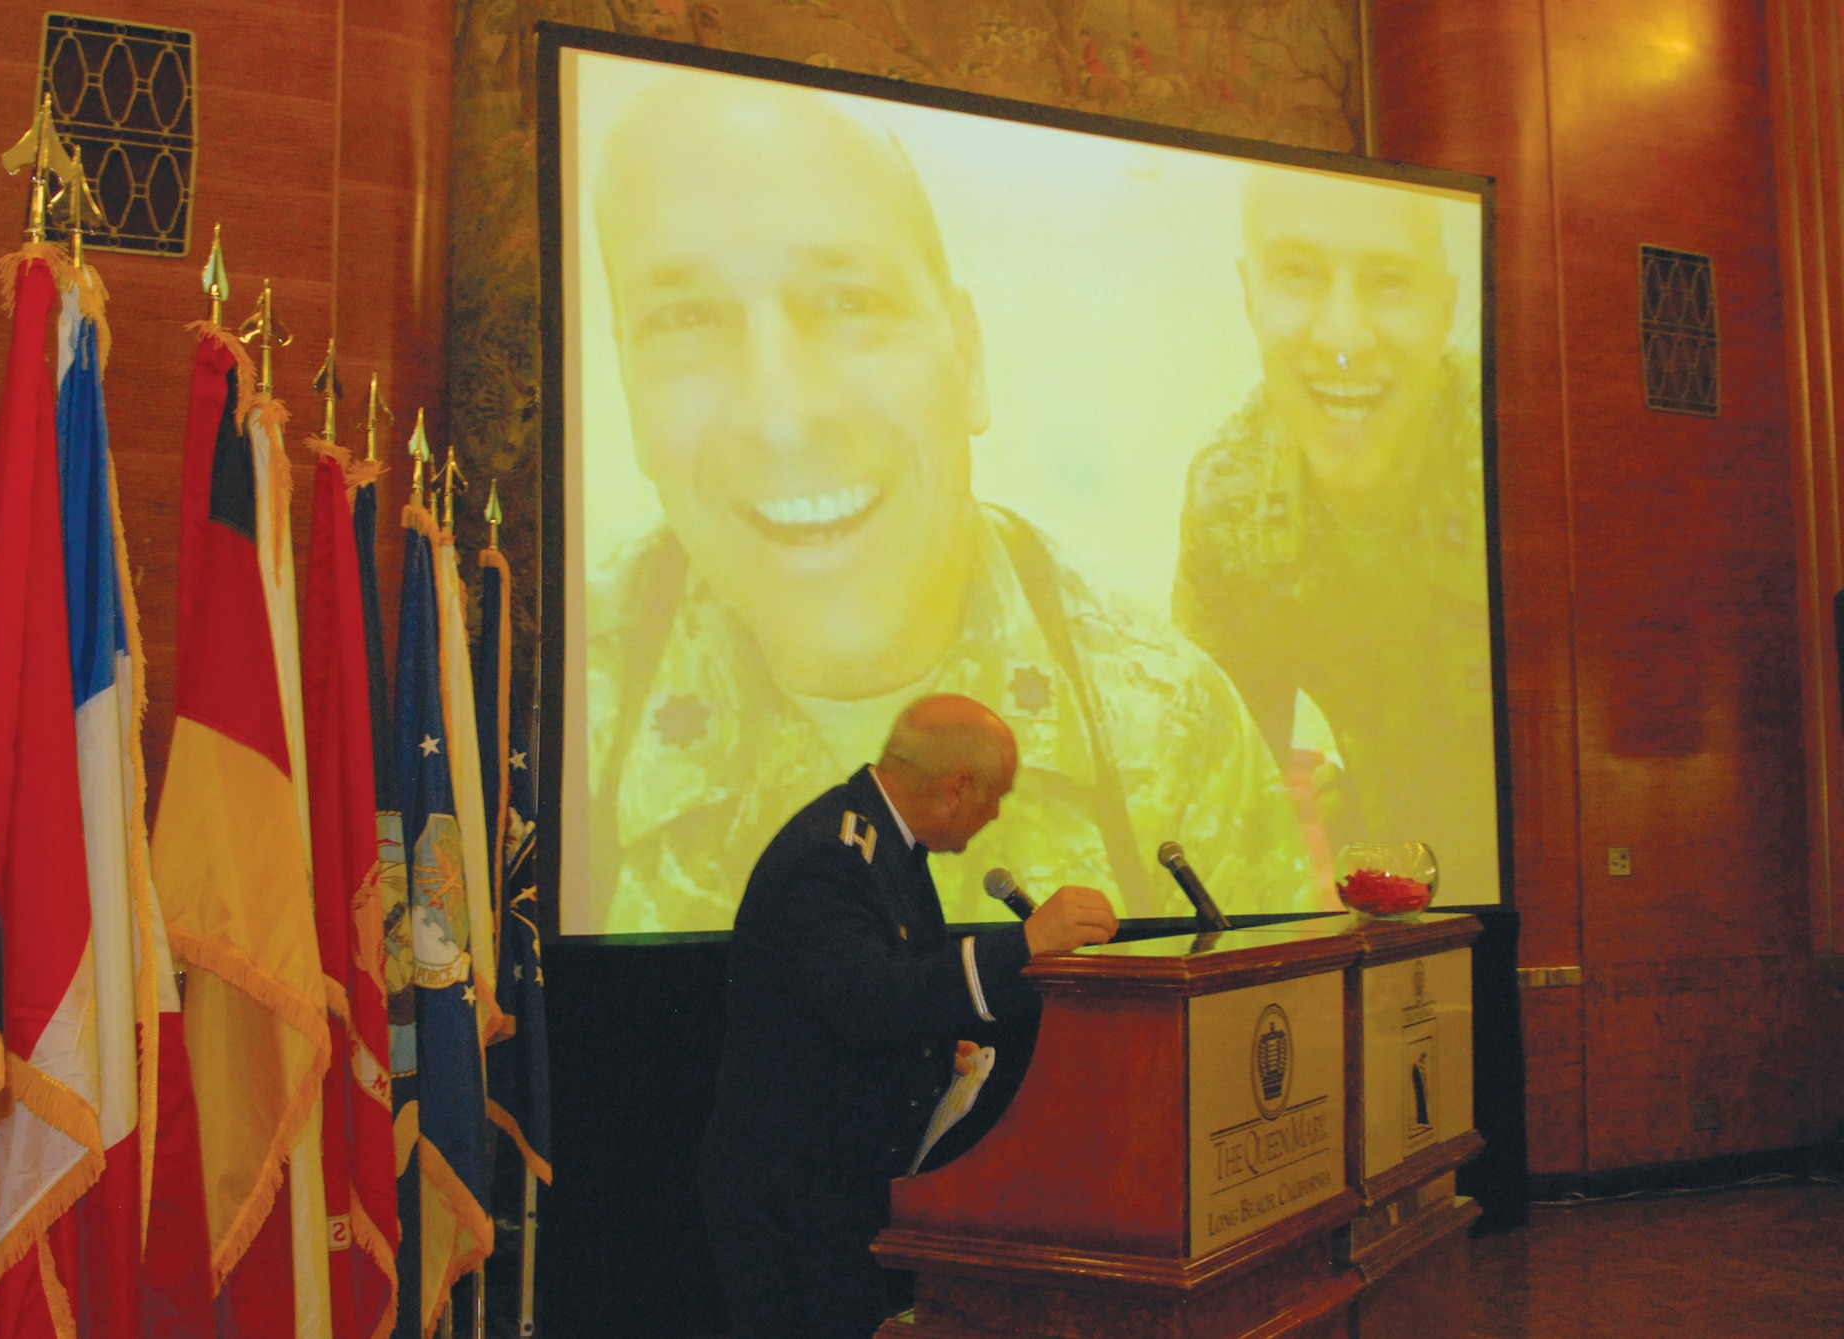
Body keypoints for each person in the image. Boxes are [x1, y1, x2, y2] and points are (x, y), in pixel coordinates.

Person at [585, 74, 1315, 933]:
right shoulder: (567, 712)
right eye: (686, 319)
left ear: (967, 358)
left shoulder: (1170, 727)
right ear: (630, 390)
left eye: (848, 301)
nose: (781, 416)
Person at [698, 695, 1118, 1339]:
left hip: (833, 1181)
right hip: (793, 1191)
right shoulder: (833, 854)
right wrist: (1028, 943)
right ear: (957, 787)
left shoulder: (880, 841)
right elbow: (869, 1005)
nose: (996, 813)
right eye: (995, 795)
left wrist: (933, 1046)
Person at [1173, 167, 1498, 897]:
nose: (1344, 338)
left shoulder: (1514, 459)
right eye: (1298, 274)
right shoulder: (1230, 496)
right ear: (1249, 295)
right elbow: (1233, 785)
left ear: (1446, 304)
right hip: (1392, 885)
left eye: (1387, 281)